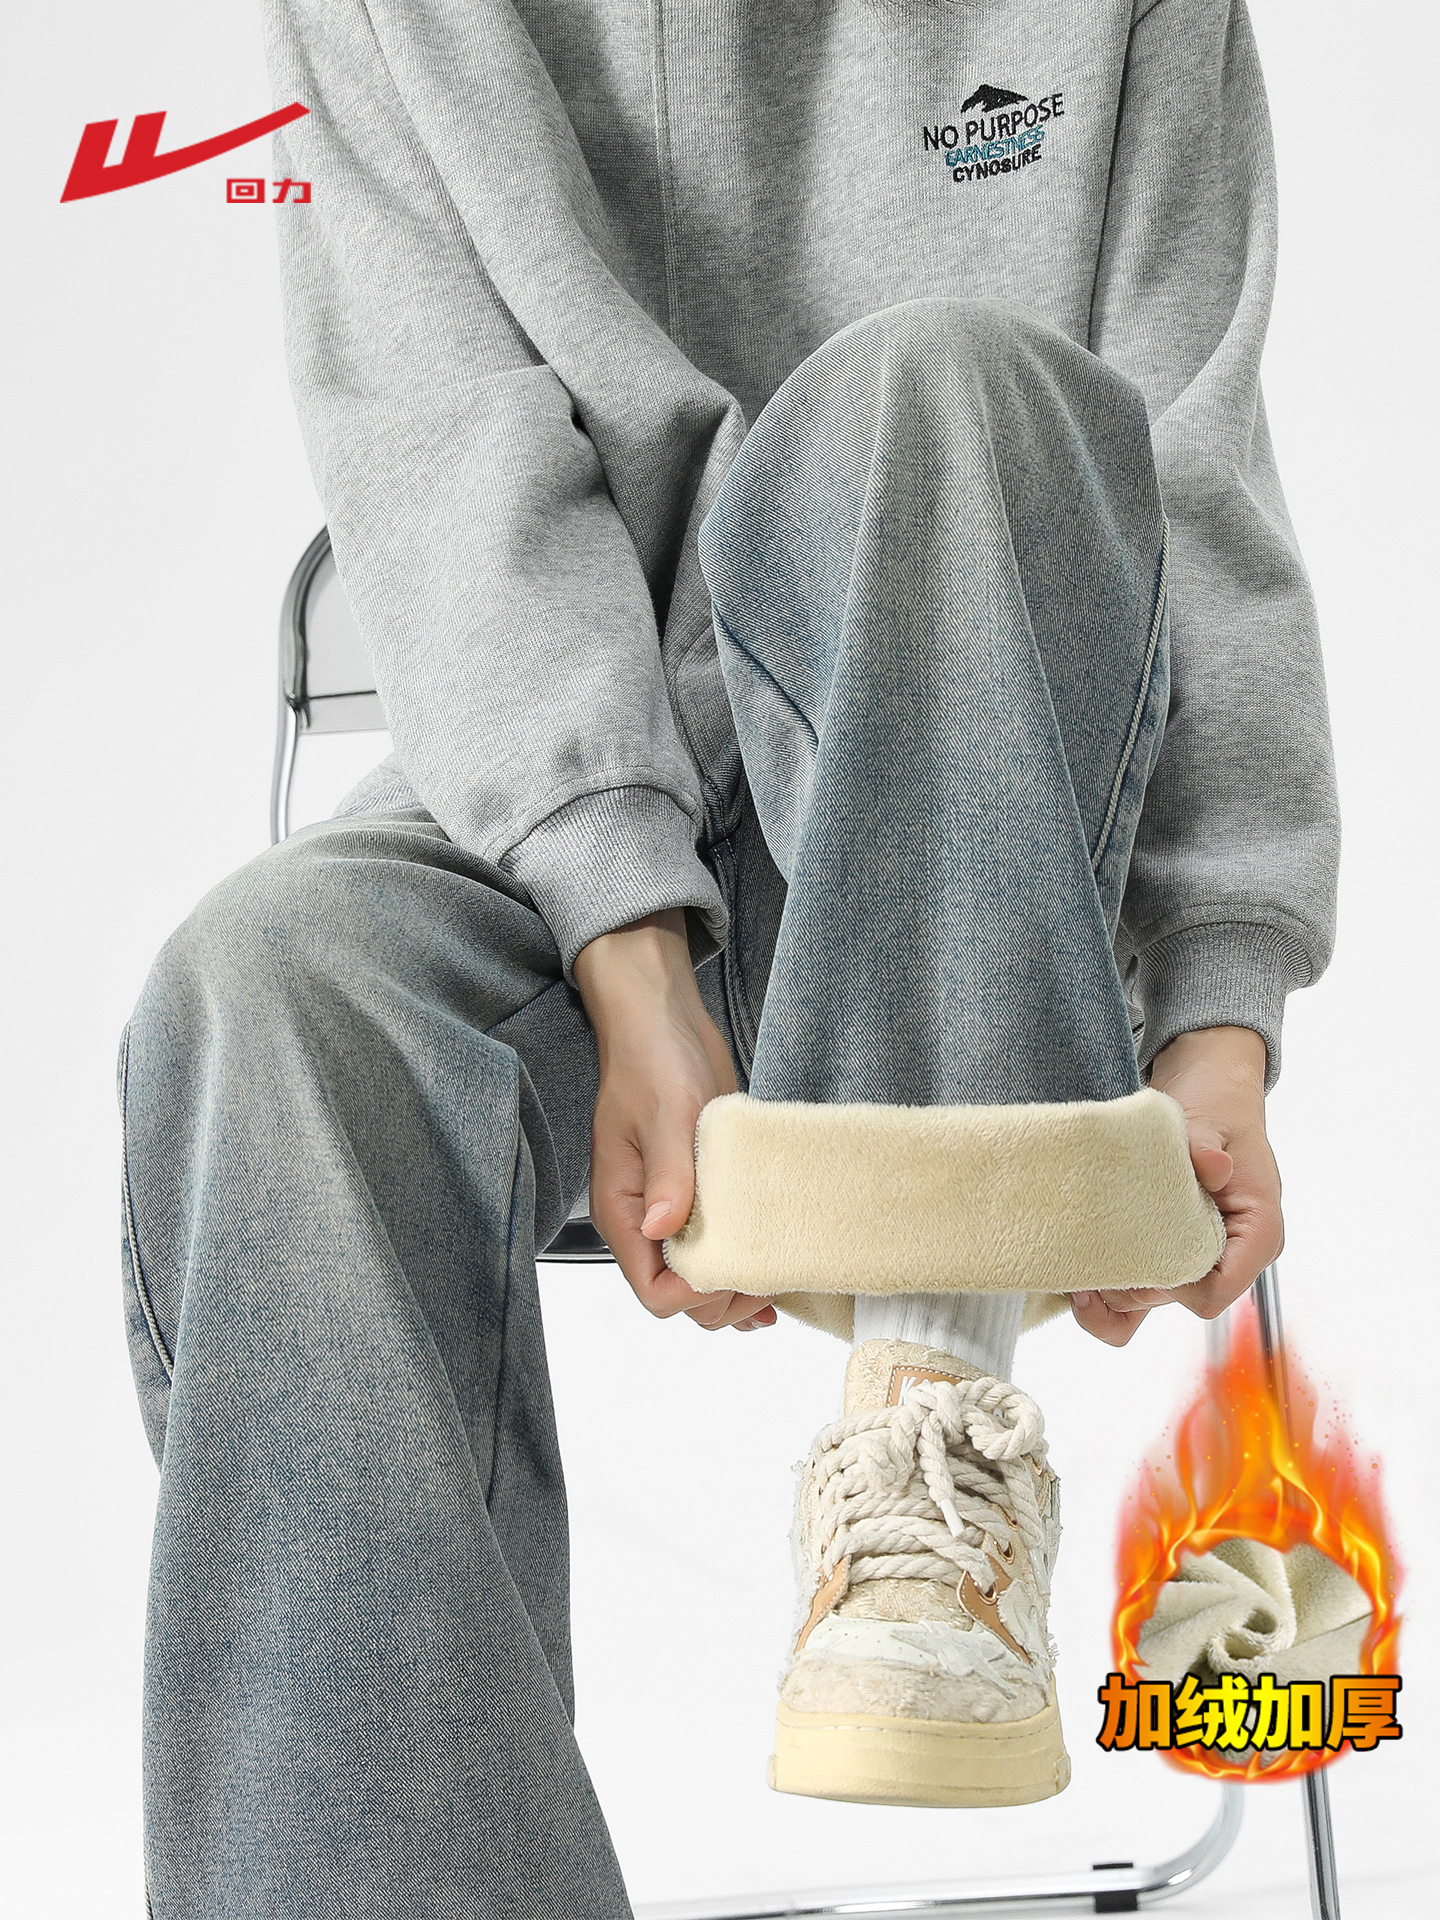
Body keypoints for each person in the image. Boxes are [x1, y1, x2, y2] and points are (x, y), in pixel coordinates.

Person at [119, 0, 1337, 1911]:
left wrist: (1219, 1007)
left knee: (938, 379)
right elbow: (447, 470)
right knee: (266, 986)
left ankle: (931, 1416)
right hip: (575, 819)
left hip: (991, 829)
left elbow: (1196, 477)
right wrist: (632, 953)